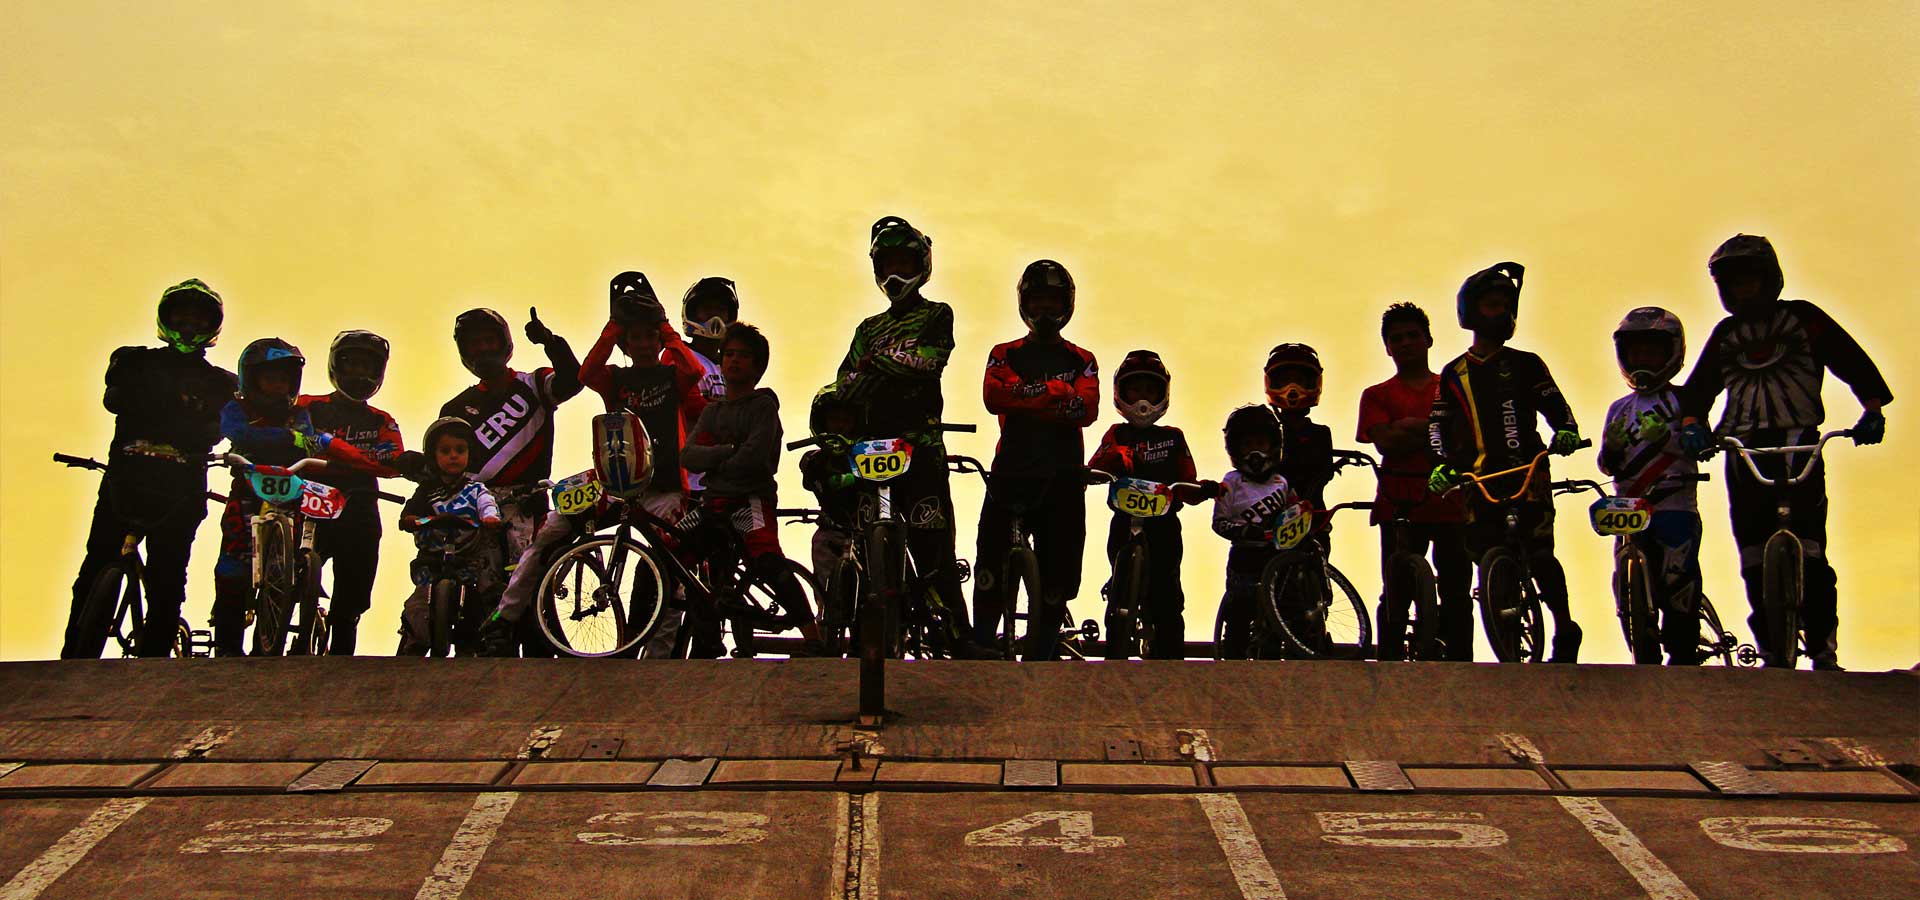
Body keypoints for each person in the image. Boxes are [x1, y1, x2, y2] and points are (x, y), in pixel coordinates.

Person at [1677, 234, 1892, 670]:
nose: (1742, 291)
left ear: (1769, 279)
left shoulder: (1804, 319)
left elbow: (1849, 359)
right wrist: (1693, 426)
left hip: (1800, 441)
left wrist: (1872, 410)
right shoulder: (1726, 335)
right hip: (1743, 447)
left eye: (1749, 281)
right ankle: (1772, 645)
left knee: (1811, 548)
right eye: (1734, 284)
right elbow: (1699, 390)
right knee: (1752, 553)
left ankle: (1822, 645)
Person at [480, 274, 708, 657]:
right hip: (612, 482)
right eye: (635, 338)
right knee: (551, 531)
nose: (643, 344)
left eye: (649, 337)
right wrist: (614, 325)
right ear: (625, 344)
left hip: (665, 486)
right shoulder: (616, 378)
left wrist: (665, 325)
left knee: (671, 567)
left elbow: (695, 370)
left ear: (658, 340)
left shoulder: (674, 375)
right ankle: (504, 619)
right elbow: (586, 374)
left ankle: (660, 656)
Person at [64, 279, 237, 658]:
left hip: (180, 491)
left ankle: (154, 661)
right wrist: (184, 411)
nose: (189, 325)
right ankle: (71, 658)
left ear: (211, 326)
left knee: (167, 579)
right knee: (95, 566)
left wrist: (165, 409)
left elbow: (217, 430)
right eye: (182, 316)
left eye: (198, 318)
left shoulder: (221, 382)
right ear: (166, 319)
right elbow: (114, 398)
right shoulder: (132, 360)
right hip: (126, 481)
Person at [1427, 262, 1586, 662]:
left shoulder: (1527, 363)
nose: (1502, 313)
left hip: (1528, 472)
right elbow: (1437, 425)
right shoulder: (1454, 373)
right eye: (1493, 305)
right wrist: (1441, 464)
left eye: (1506, 305)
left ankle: (1564, 624)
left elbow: (1557, 408)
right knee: (1486, 551)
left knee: (1540, 553)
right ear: (1472, 311)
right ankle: (1506, 628)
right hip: (1478, 480)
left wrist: (1566, 432)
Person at [833, 215, 970, 645]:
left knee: (934, 545)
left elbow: (930, 361)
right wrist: (888, 365)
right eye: (887, 264)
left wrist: (876, 364)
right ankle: (859, 632)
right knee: (862, 538)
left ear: (922, 266)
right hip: (871, 448)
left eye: (903, 264)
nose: (895, 274)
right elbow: (844, 383)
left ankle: (958, 635)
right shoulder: (868, 328)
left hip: (921, 443)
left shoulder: (937, 314)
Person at [211, 339, 389, 656]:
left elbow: (315, 439)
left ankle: (293, 604)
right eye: (270, 379)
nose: (278, 387)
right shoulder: (236, 409)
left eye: (284, 380)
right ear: (252, 379)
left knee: (294, 559)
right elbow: (241, 433)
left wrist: (358, 459)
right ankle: (227, 641)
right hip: (248, 491)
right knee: (233, 561)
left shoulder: (298, 414)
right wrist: (288, 438)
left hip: (290, 493)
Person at [973, 259, 1099, 658]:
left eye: (1052, 302)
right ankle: (982, 645)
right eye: (1037, 301)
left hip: (1064, 476)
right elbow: (993, 396)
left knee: (1059, 573)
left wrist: (1025, 395)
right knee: (989, 563)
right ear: (1025, 304)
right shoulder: (1004, 353)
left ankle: (1043, 649)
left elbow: (1087, 409)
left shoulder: (1082, 358)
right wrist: (1057, 394)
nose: (1044, 310)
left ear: (1066, 305)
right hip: (1011, 471)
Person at [440, 306, 582, 655]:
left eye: (489, 341)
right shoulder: (455, 408)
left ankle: (538, 646)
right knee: (483, 585)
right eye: (474, 344)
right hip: (480, 505)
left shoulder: (535, 383)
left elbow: (573, 381)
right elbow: (444, 463)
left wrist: (551, 343)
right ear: (464, 353)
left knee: (531, 580)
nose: (482, 350)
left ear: (504, 344)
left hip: (529, 503)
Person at [680, 322, 825, 654]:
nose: (734, 360)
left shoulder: (763, 407)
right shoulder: (712, 411)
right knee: (672, 551)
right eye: (729, 354)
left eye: (743, 356)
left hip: (750, 501)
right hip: (712, 502)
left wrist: (715, 459)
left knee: (767, 560)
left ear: (758, 366)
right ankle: (698, 643)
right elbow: (688, 456)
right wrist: (728, 451)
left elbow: (755, 459)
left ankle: (813, 636)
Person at [1356, 303, 1472, 661]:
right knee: (1396, 592)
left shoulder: (1451, 388)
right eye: (1397, 339)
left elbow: (1464, 437)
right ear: (1387, 348)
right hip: (1398, 502)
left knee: (1456, 592)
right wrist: (1434, 429)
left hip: (1450, 502)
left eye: (1412, 335)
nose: (1405, 343)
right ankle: (1389, 665)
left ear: (1429, 340)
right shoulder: (1376, 394)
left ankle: (1461, 666)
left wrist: (1408, 426)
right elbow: (1386, 442)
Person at [296, 331, 420, 655]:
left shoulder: (381, 420)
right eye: (351, 365)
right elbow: (286, 434)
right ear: (335, 366)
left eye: (367, 366)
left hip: (359, 504)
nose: (358, 373)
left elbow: (393, 457)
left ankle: (343, 644)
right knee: (287, 575)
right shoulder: (307, 406)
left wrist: (405, 462)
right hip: (308, 499)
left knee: (353, 593)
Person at [1087, 350, 1215, 659]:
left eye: (1149, 390)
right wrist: (1105, 463)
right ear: (1121, 393)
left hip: (1163, 524)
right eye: (1135, 390)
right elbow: (1095, 466)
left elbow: (1187, 481)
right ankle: (1116, 637)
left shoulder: (1173, 438)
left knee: (1167, 593)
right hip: (1123, 520)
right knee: (1118, 585)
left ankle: (1171, 657)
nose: (1142, 398)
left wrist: (1203, 490)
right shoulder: (1116, 434)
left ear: (1162, 395)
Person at [1598, 307, 1704, 665]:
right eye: (1636, 352)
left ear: (1671, 354)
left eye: (1652, 352)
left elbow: (1701, 445)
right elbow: (1605, 463)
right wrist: (1612, 450)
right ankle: (1639, 633)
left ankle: (1683, 646)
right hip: (1629, 505)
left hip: (1674, 501)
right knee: (1623, 575)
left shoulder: (1685, 399)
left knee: (1676, 577)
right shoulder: (1618, 408)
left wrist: (1669, 440)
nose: (1642, 359)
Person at [397, 417, 502, 655]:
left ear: (469, 454)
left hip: (468, 559)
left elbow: (487, 504)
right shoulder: (427, 490)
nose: (453, 456)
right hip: (431, 558)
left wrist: (490, 517)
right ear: (433, 456)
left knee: (479, 602)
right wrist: (409, 519)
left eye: (460, 450)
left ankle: (471, 645)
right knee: (418, 605)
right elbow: (411, 511)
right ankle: (411, 646)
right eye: (445, 451)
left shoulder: (476, 489)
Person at [1211, 405, 1302, 659]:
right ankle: (1233, 657)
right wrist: (1242, 531)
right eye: (1247, 445)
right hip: (1244, 556)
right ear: (1235, 449)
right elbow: (1219, 522)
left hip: (1275, 557)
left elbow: (1296, 511)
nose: (1255, 451)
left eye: (1261, 443)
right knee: (1239, 608)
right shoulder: (1231, 482)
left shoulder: (1282, 482)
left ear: (1273, 445)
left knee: (1281, 608)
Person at [799, 385, 862, 629]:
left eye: (846, 419)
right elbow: (811, 477)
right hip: (831, 530)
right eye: (834, 419)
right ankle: (826, 614)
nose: (840, 426)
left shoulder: (870, 456)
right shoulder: (814, 459)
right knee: (822, 547)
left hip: (867, 532)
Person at [1265, 343, 1335, 513]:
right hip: (1270, 514)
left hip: (1312, 513)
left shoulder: (1320, 433)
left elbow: (1325, 474)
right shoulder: (1265, 431)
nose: (1292, 387)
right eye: (1285, 381)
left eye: (1300, 381)